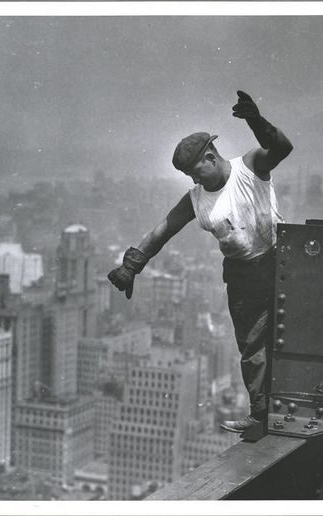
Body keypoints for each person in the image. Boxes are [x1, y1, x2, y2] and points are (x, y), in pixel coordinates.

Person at [108, 90, 293, 433]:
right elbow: (165, 228)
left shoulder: (249, 167)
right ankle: (261, 413)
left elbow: (282, 148)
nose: (195, 180)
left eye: (197, 172)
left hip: (280, 261)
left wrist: (256, 120)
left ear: (211, 156)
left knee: (296, 331)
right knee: (252, 345)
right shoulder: (196, 199)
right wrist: (132, 264)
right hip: (242, 273)